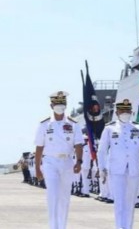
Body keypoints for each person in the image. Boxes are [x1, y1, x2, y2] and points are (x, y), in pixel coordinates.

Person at [97, 98, 139, 229]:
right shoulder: (109, 128)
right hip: (116, 170)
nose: (125, 113)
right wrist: (102, 168)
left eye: (128, 110)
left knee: (130, 203)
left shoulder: (138, 127)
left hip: (134, 170)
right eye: (123, 110)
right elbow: (102, 150)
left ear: (132, 112)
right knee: (119, 203)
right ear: (117, 112)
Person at [34, 91, 83, 229]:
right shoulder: (44, 124)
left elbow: (78, 144)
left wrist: (79, 161)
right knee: (53, 195)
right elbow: (39, 147)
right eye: (57, 103)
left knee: (65, 198)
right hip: (50, 162)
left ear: (66, 105)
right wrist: (38, 168)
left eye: (62, 103)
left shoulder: (73, 124)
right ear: (51, 105)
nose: (60, 106)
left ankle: (62, 226)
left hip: (67, 162)